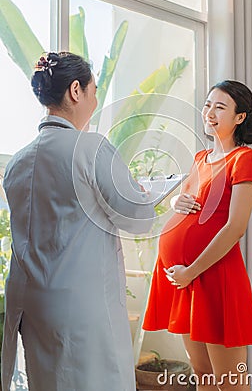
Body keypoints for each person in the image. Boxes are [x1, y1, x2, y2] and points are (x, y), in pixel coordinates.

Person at [2, 52, 155, 391]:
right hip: (82, 309)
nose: (96, 100)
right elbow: (138, 218)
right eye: (93, 90)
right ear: (75, 90)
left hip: (34, 306)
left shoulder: (18, 162)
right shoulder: (90, 148)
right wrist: (143, 193)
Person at [143, 80, 252, 391]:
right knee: (203, 374)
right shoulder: (200, 158)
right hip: (185, 280)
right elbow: (187, 205)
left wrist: (191, 271)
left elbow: (236, 227)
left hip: (214, 277)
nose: (210, 112)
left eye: (220, 107)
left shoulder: (244, 159)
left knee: (230, 382)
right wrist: (174, 201)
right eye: (208, 104)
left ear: (240, 117)